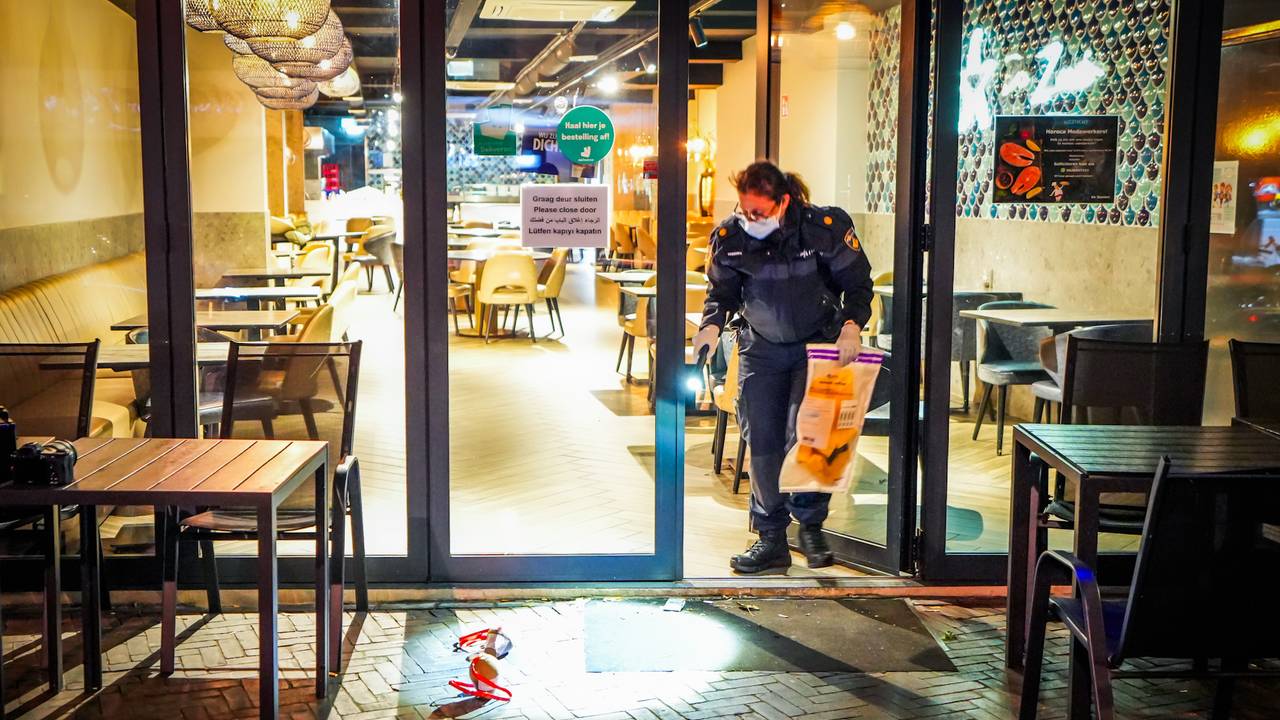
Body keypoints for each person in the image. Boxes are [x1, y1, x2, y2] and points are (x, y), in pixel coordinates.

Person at [693, 161, 873, 574]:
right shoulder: (730, 238)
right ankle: (771, 538)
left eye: (758, 211)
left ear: (783, 202)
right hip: (761, 349)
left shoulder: (824, 229)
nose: (750, 218)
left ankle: (810, 526)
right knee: (763, 443)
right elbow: (721, 294)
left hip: (819, 344)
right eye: (744, 210)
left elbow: (858, 285)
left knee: (810, 436)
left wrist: (851, 327)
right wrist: (710, 327)